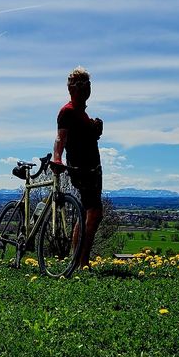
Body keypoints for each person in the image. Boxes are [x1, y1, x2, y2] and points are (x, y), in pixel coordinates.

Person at [52, 66, 103, 269]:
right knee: (94, 212)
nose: (84, 89)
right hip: (82, 168)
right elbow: (60, 138)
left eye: (87, 85)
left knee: (86, 213)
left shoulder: (81, 113)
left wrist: (94, 127)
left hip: (92, 168)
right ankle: (81, 261)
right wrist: (57, 158)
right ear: (70, 88)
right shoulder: (68, 111)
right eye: (79, 85)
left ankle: (78, 260)